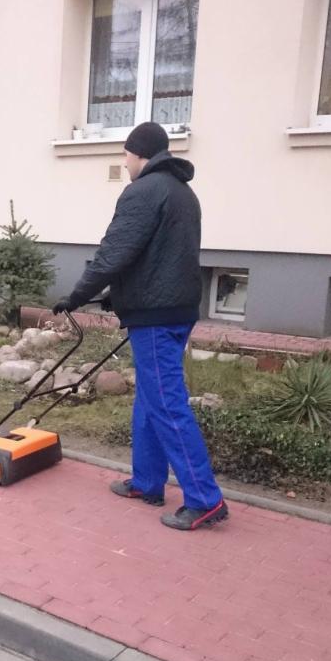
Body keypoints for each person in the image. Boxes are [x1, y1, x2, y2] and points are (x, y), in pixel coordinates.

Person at [52, 121, 228, 532]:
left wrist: (76, 296)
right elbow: (158, 257)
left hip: (157, 316)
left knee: (166, 403)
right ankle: (148, 482)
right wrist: (121, 294)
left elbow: (114, 252)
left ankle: (204, 499)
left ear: (139, 154)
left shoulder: (143, 192)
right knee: (151, 400)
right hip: (174, 309)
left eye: (127, 155)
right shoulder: (183, 193)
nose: (125, 162)